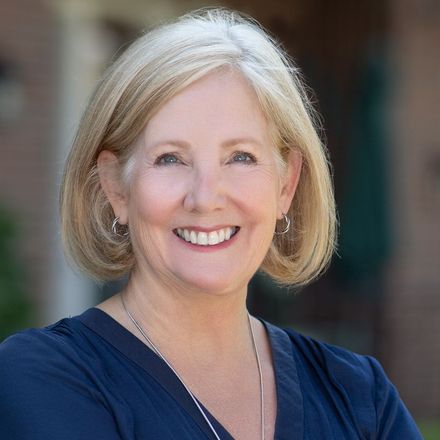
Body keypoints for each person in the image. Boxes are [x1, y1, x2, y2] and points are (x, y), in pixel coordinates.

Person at [0, 8, 422, 440]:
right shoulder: (42, 379)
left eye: (240, 157)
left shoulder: (359, 397)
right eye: (170, 158)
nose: (205, 198)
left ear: (287, 183)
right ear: (115, 187)